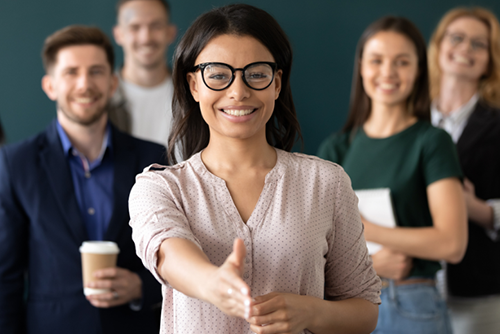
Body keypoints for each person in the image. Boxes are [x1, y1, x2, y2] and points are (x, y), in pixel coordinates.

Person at [129, 4, 381, 334]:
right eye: (218, 75)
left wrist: (310, 312)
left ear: (276, 84)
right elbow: (168, 253)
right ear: (193, 85)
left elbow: (364, 309)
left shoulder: (326, 182)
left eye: (256, 74)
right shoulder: (160, 187)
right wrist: (212, 283)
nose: (238, 91)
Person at [0, 25, 165, 334]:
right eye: (71, 72)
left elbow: (176, 259)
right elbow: (5, 278)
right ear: (50, 85)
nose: (84, 84)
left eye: (96, 71)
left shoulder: (153, 159)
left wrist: (142, 287)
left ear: (113, 82)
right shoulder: (15, 164)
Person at [318, 16, 468, 334]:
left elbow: (452, 243)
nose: (388, 72)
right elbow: (316, 245)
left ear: (418, 71)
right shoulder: (336, 149)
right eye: (377, 60)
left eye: (402, 62)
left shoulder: (431, 142)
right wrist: (371, 266)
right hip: (346, 306)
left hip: (411, 304)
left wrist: (366, 229)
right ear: (361, 67)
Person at [428, 7, 500, 334]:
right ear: (439, 46)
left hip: (478, 293)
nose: (465, 49)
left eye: (478, 44)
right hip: (411, 290)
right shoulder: (406, 118)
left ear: (490, 60)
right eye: (457, 38)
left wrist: (480, 210)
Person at [109, 0, 177, 148]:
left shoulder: (193, 94)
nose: (146, 38)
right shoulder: (102, 98)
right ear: (118, 34)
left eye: (156, 26)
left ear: (171, 33)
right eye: (135, 27)